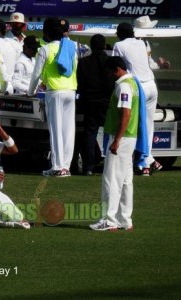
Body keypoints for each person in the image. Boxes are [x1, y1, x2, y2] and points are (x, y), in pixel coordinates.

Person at [90, 56, 139, 231]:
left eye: (110, 71)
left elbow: (126, 113)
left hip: (122, 138)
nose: (109, 75)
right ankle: (125, 220)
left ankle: (108, 220)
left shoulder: (124, 86)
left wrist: (116, 140)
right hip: (129, 136)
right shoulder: (133, 83)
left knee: (111, 179)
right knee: (125, 180)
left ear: (117, 69)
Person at [28, 17, 78, 177]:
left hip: (54, 91)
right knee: (69, 130)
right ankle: (66, 166)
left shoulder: (45, 49)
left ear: (48, 34)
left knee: (56, 130)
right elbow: (75, 67)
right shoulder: (71, 47)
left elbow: (35, 74)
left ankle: (57, 167)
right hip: (71, 90)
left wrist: (30, 92)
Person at [113, 22, 162, 176]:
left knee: (136, 125)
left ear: (119, 34)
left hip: (138, 86)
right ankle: (146, 162)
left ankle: (146, 161)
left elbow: (115, 66)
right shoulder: (142, 43)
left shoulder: (119, 45)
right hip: (151, 86)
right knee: (147, 125)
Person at [76, 34, 115, 175]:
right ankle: (112, 165)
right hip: (107, 102)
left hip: (89, 102)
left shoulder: (83, 62)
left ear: (91, 46)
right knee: (112, 133)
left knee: (90, 134)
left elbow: (79, 83)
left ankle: (88, 167)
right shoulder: (111, 62)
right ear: (104, 45)